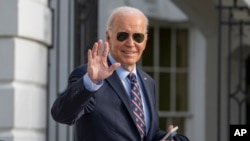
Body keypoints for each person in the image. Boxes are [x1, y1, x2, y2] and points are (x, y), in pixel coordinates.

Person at [51, 6, 189, 141]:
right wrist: (90, 82)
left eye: (138, 37)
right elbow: (62, 115)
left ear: (145, 41)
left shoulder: (148, 82)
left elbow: (145, 133)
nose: (130, 43)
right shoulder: (89, 76)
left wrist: (171, 138)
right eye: (122, 35)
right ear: (109, 37)